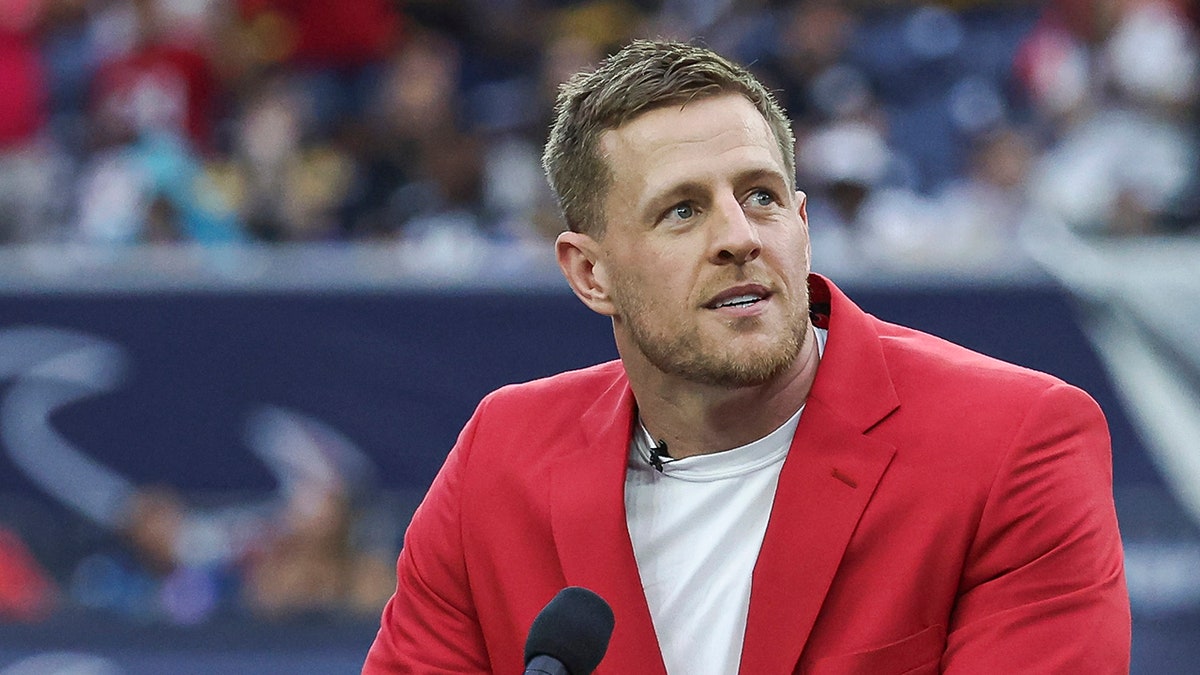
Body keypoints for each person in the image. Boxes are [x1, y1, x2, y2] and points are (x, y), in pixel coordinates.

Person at [363, 40, 1130, 674]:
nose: (739, 235)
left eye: (761, 195)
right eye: (683, 209)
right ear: (591, 273)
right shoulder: (499, 459)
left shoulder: (1013, 442)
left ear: (802, 224)